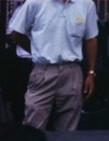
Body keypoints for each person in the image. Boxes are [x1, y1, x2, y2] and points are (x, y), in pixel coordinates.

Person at [9, 0, 99, 131]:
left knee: (69, 123)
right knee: (34, 121)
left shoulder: (86, 4)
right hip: (43, 70)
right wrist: (36, 51)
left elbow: (91, 39)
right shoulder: (34, 3)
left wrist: (91, 73)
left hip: (72, 71)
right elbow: (16, 35)